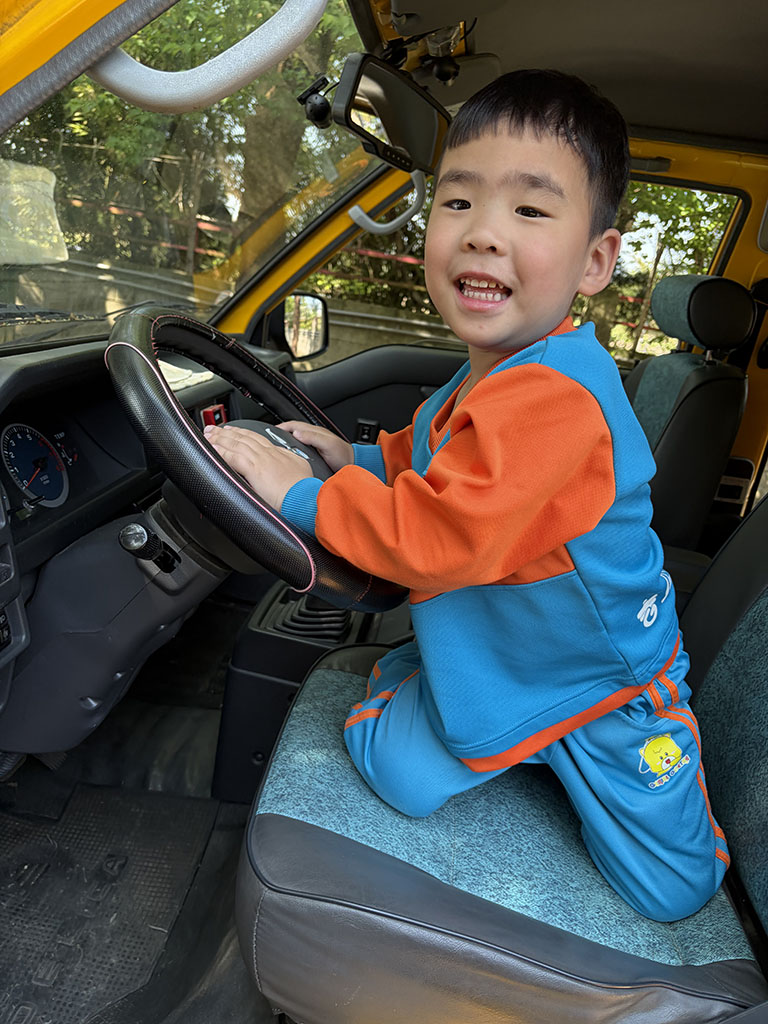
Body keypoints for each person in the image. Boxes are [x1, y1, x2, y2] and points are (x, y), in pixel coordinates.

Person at [204, 70, 729, 922]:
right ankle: (455, 683)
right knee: (394, 772)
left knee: (676, 889)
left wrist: (300, 495)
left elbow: (438, 536)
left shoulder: (559, 398)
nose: (483, 232)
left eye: (529, 210)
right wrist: (351, 459)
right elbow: (429, 457)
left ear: (596, 261)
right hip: (503, 658)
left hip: (602, 684)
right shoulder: (492, 371)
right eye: (457, 201)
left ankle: (533, 730)